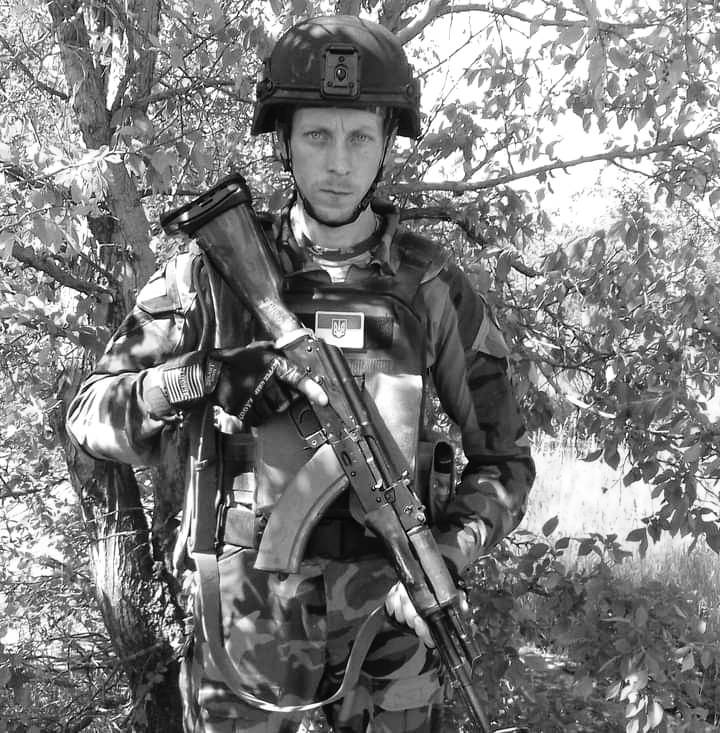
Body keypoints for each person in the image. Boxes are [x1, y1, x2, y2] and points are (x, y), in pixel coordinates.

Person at [66, 14, 535, 733]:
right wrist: (200, 378)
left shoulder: (430, 284)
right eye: (317, 136)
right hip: (244, 628)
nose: (339, 164)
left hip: (390, 623)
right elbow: (89, 416)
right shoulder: (209, 276)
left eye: (360, 138)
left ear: (387, 142)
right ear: (283, 141)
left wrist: (445, 553)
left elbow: (505, 462)